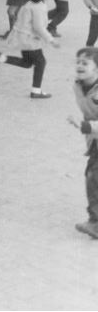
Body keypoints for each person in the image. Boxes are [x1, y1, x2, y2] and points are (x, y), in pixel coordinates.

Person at [0, 0, 59, 99]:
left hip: (24, 38)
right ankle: (36, 91)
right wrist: (51, 39)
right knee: (41, 62)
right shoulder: (38, 6)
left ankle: (0, 58)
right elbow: (38, 27)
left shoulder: (32, 3)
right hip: (30, 39)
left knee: (27, 63)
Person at [68, 47, 98, 239]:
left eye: (85, 63)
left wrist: (85, 126)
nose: (79, 65)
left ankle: (96, 223)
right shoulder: (78, 85)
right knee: (92, 176)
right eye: (78, 62)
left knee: (93, 177)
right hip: (94, 140)